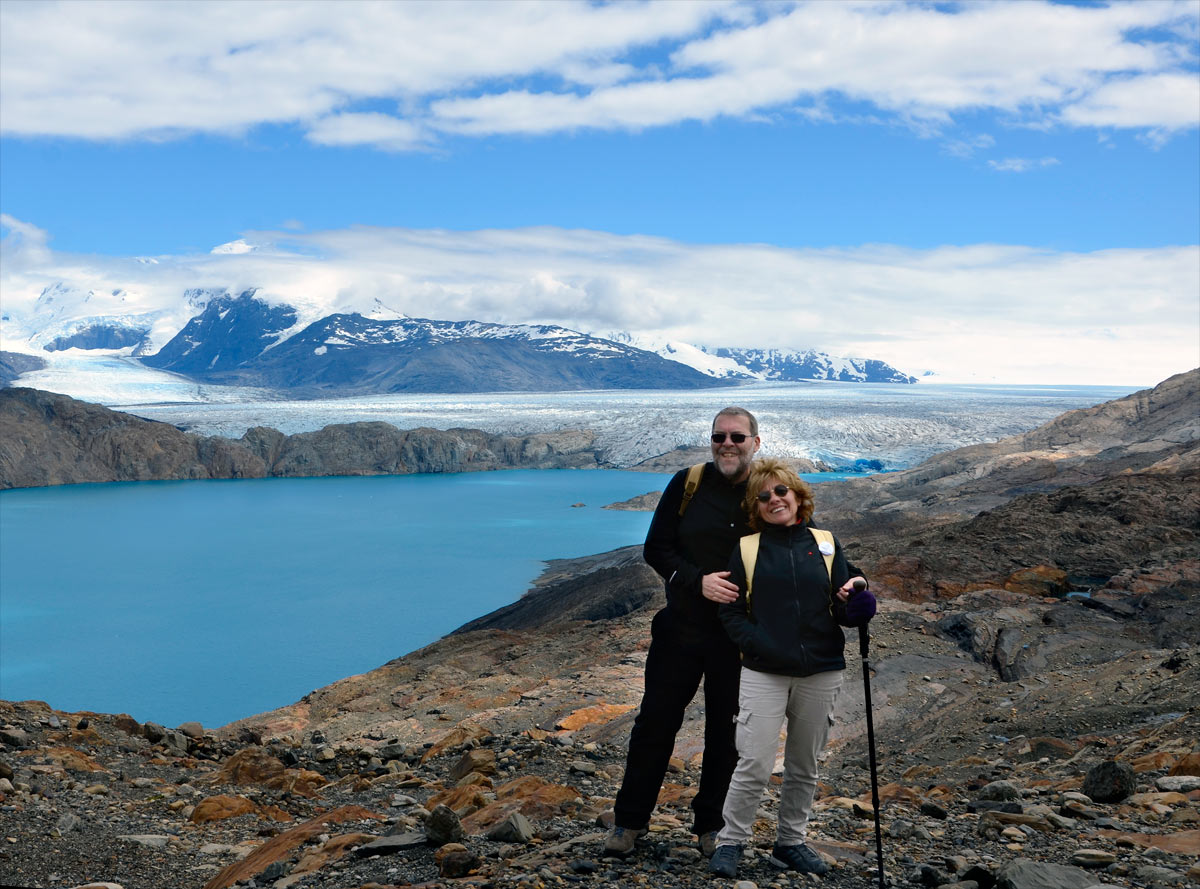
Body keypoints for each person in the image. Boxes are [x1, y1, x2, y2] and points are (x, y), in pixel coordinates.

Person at [603, 407, 762, 858]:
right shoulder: (688, 483)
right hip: (681, 630)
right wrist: (698, 581)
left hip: (737, 637)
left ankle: (712, 827)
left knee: (726, 733)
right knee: (654, 723)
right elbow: (657, 548)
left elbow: (800, 545)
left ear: (755, 442)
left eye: (737, 437)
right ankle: (629, 822)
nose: (727, 445)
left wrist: (849, 580)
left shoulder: (767, 490)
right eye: (719, 437)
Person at [708, 457, 876, 879]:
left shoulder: (826, 543)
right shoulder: (748, 549)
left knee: (804, 764)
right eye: (763, 496)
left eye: (781, 491)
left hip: (821, 669)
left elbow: (842, 604)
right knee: (754, 762)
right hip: (764, 670)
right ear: (756, 506)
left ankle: (790, 843)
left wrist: (857, 602)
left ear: (798, 497)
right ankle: (731, 842)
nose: (773, 500)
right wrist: (757, 643)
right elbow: (731, 610)